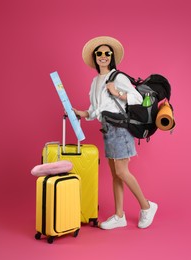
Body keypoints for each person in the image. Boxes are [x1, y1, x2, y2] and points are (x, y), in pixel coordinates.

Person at [73, 36, 158, 230]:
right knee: (115, 175)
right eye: (99, 53)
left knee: (121, 171)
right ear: (95, 58)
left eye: (106, 53)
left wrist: (117, 93)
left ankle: (147, 206)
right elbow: (96, 109)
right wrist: (82, 113)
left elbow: (137, 98)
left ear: (111, 57)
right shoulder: (95, 81)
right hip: (107, 129)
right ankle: (119, 215)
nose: (103, 56)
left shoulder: (117, 77)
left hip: (121, 129)